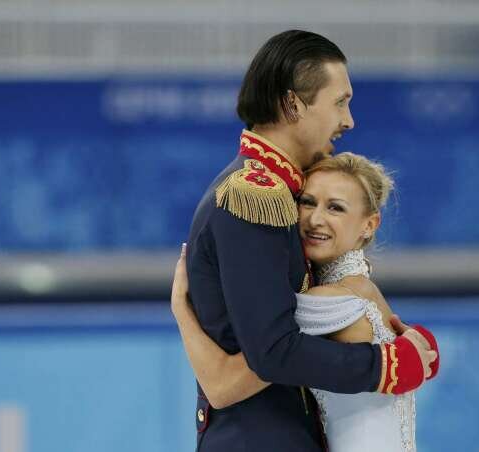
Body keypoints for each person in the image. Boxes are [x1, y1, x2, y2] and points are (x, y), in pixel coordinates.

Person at [179, 29, 436, 452]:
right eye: (340, 102)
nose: (349, 120)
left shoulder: (279, 192)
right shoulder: (253, 196)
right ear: (291, 104)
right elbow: (273, 350)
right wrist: (385, 366)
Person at [173, 152, 440, 452]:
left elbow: (222, 386)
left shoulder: (332, 301)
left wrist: (182, 312)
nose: (315, 219)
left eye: (335, 208)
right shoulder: (361, 289)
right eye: (307, 202)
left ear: (369, 224)